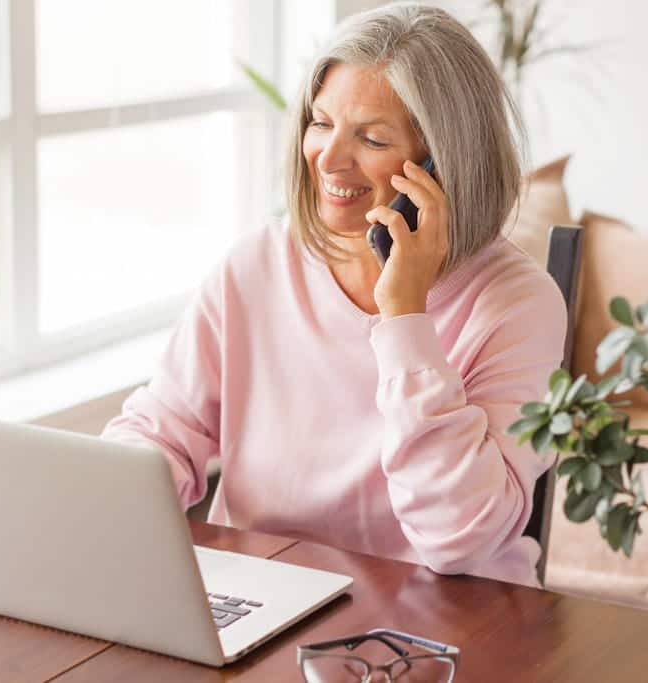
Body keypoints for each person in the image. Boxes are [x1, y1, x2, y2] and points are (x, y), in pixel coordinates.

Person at [102, 2, 567, 587]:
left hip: (444, 621)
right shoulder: (256, 267)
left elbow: (460, 539)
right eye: (321, 124)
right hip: (264, 593)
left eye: (372, 137)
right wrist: (96, 496)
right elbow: (164, 431)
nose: (329, 157)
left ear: (444, 165)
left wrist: (405, 319)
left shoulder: (518, 303)